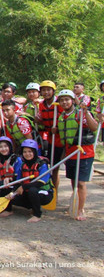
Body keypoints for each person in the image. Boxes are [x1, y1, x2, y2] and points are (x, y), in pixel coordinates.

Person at [55, 89, 98, 221]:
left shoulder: (81, 114)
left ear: (73, 101)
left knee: (80, 183)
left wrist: (86, 113)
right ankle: (75, 203)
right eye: (62, 100)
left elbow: (94, 127)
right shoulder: (62, 117)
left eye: (67, 99)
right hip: (70, 153)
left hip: (84, 152)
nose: (64, 102)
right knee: (74, 182)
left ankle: (80, 209)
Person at [0, 139, 53, 223]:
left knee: (33, 190)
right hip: (28, 192)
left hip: (43, 193)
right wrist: (12, 192)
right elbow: (19, 181)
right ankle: (9, 210)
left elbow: (40, 182)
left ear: (35, 152)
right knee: (8, 187)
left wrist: (23, 187)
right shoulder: (23, 165)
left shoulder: (42, 164)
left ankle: (37, 214)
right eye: (25, 152)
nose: (27, 154)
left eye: (30, 151)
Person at [35, 80, 63, 189]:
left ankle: (55, 190)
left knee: (55, 167)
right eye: (43, 90)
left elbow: (65, 118)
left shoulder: (59, 103)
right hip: (48, 138)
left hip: (59, 139)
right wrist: (38, 120)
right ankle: (47, 188)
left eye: (48, 90)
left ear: (53, 91)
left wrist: (58, 129)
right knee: (47, 165)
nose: (46, 92)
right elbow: (43, 121)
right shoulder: (41, 105)